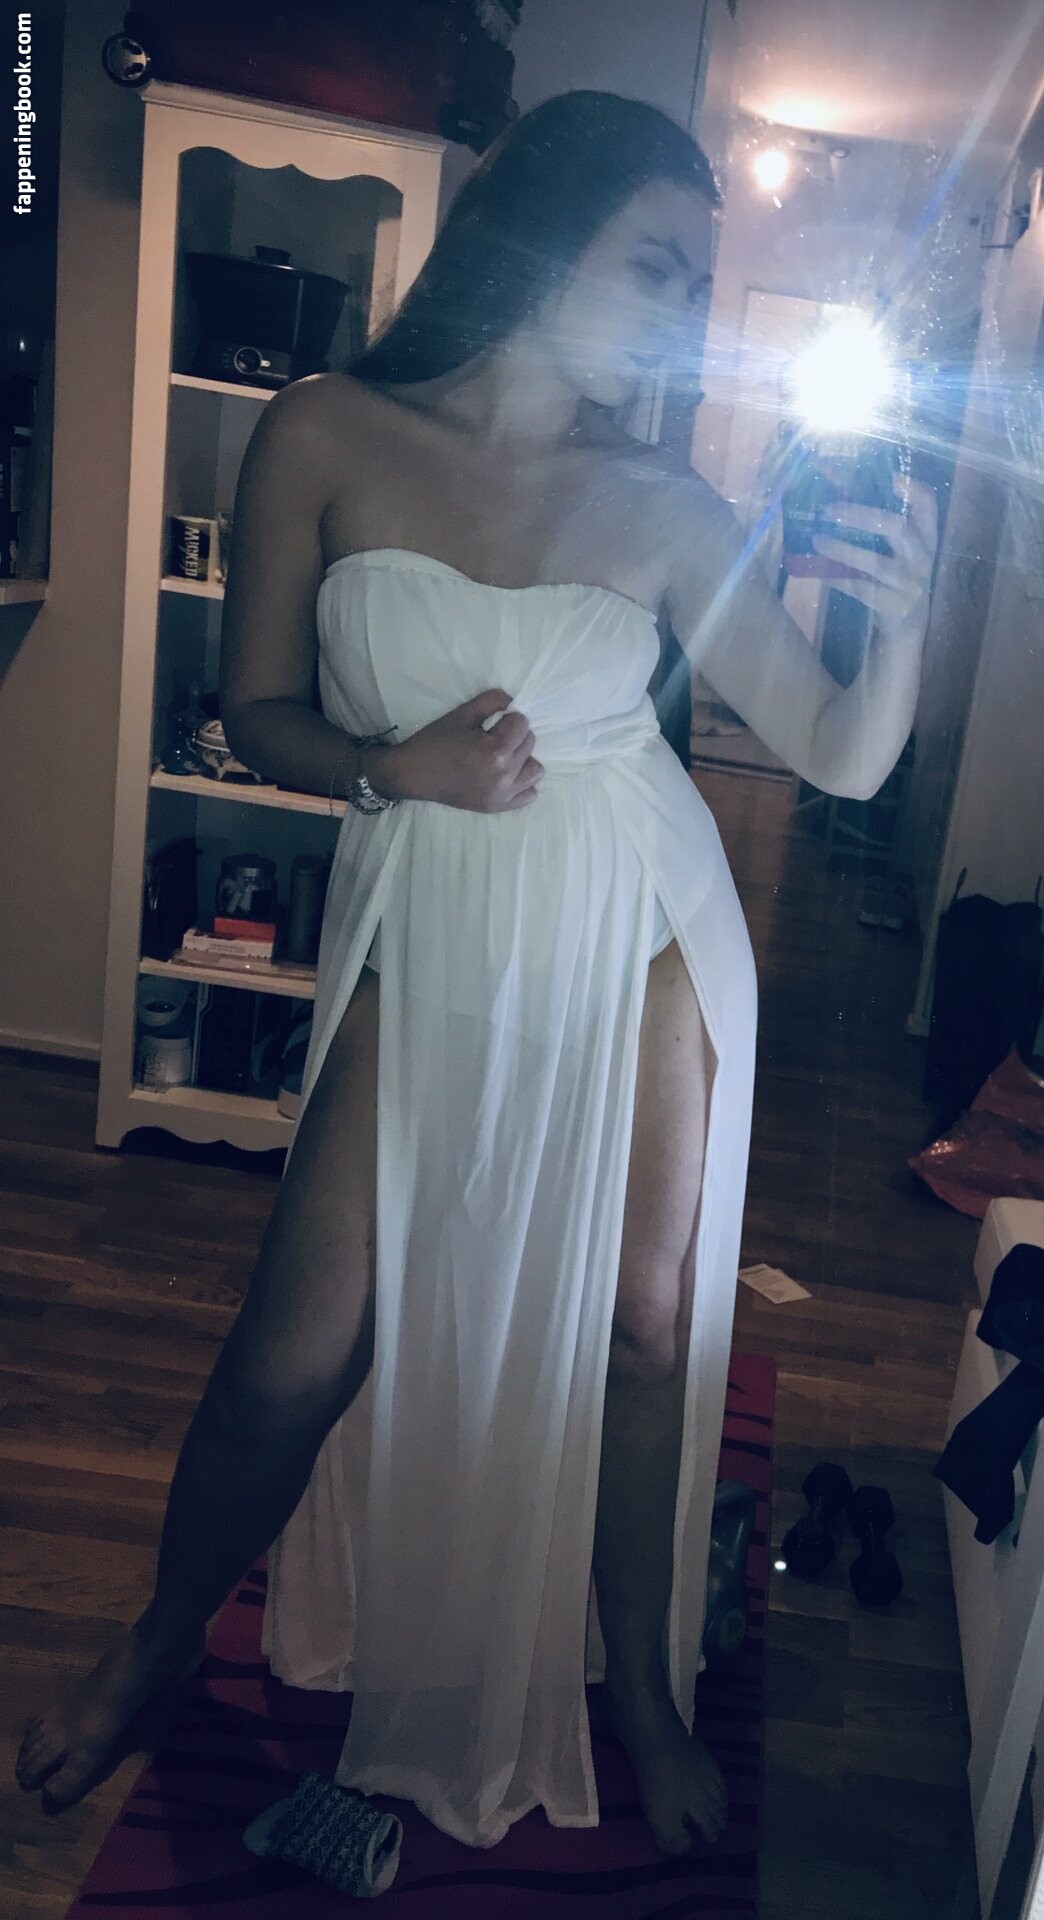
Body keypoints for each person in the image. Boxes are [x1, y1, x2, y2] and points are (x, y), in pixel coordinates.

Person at [15, 90, 937, 1860]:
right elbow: (254, 708)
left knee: (646, 1326)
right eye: (658, 267)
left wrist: (901, 626)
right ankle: (155, 1637)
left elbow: (839, 751)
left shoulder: (666, 502)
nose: (682, 314)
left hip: (638, 908)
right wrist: (394, 765)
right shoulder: (324, 431)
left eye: (702, 284)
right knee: (297, 1346)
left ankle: (638, 1686)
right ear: (541, 237)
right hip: (433, 904)